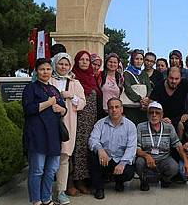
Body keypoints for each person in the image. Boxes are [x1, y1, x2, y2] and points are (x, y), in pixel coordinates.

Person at [22, 58, 67, 205]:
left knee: (51, 170)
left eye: (48, 69)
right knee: (37, 170)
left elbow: (62, 109)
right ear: (36, 71)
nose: (45, 72)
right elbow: (28, 109)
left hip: (53, 136)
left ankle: (46, 198)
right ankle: (36, 200)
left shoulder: (53, 90)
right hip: (37, 135)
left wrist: (62, 109)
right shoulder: (31, 88)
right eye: (42, 69)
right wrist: (48, 103)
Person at [49, 52, 87, 204]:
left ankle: (61, 191)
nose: (63, 67)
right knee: (49, 156)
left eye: (66, 64)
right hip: (49, 122)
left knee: (64, 157)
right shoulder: (48, 80)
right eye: (60, 64)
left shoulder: (74, 83)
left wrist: (71, 96)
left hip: (68, 122)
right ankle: (45, 190)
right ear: (55, 64)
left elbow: (82, 103)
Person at [135, 102, 188, 191]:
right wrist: (146, 156)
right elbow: (137, 148)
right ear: (147, 115)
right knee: (139, 163)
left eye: (157, 113)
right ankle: (144, 180)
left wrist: (186, 161)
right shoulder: (140, 127)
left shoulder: (169, 127)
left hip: (163, 158)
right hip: (146, 158)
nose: (154, 115)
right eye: (151, 112)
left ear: (162, 115)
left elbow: (178, 145)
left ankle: (164, 179)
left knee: (174, 167)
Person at [88, 98, 137, 199]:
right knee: (93, 155)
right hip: (105, 159)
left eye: (117, 107)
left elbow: (131, 148)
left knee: (128, 172)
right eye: (111, 107)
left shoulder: (130, 126)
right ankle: (99, 188)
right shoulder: (100, 124)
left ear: (122, 109)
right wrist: (100, 150)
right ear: (108, 110)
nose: (114, 110)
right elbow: (92, 140)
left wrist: (122, 163)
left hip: (120, 159)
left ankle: (119, 181)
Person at [70, 50, 101, 195]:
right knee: (78, 150)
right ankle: (76, 180)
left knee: (87, 148)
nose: (84, 62)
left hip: (91, 121)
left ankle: (86, 178)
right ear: (76, 61)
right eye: (81, 59)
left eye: (87, 60)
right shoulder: (73, 78)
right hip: (77, 119)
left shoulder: (91, 77)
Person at [123, 49, 152, 124]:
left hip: (143, 107)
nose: (139, 61)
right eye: (136, 59)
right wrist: (139, 99)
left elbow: (148, 87)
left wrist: (147, 98)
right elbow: (128, 88)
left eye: (141, 59)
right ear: (132, 60)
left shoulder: (144, 73)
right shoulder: (127, 73)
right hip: (131, 107)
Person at [100, 53, 123, 118]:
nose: (112, 64)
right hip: (102, 110)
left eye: (115, 62)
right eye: (110, 62)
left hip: (115, 111)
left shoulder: (120, 78)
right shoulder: (100, 75)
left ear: (118, 64)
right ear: (106, 62)